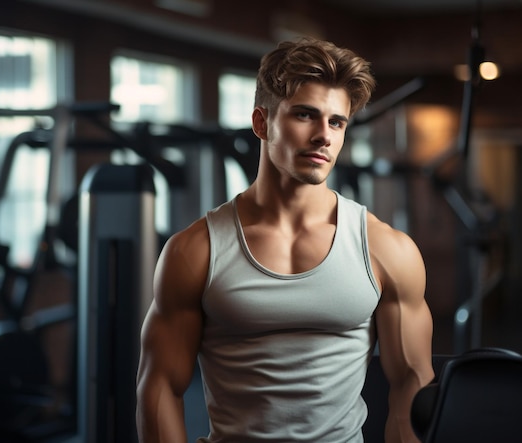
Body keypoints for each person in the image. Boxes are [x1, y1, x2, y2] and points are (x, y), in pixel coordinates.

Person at [136, 36, 434, 443]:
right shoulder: (196, 251)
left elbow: (411, 391)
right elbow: (160, 389)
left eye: (336, 122)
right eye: (305, 115)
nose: (323, 136)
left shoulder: (386, 250)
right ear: (262, 123)